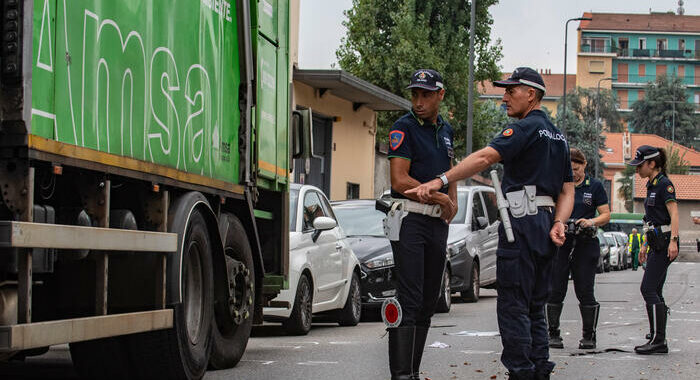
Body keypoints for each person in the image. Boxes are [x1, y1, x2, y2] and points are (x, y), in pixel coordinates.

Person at [407, 67, 574, 380]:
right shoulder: (559, 136)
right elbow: (567, 190)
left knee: (513, 305)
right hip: (545, 225)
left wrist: (440, 180)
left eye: (512, 91)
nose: (505, 97)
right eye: (504, 91)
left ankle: (521, 373)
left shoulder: (525, 129)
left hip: (521, 227)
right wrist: (560, 222)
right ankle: (539, 371)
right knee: (535, 308)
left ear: (532, 95)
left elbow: (485, 158)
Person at [385, 69, 457, 380]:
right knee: (410, 298)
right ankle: (401, 375)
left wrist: (451, 198)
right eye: (415, 94)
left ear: (440, 94)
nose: (419, 101)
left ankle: (413, 372)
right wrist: (440, 198)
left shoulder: (445, 130)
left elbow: (450, 169)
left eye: (426, 95)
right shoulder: (403, 128)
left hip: (436, 225)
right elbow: (399, 181)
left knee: (430, 301)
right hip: (410, 219)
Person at [546, 148, 610, 350]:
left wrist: (590, 222)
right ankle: (553, 334)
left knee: (585, 290)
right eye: (570, 169)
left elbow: (606, 214)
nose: (574, 173)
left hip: (585, 243)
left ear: (584, 166)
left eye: (577, 168)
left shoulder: (595, 186)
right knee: (555, 290)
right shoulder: (559, 185)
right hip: (562, 243)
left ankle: (589, 336)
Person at [627, 145, 679, 355]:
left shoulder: (664, 184)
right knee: (655, 290)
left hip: (665, 240)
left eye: (640, 165)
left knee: (647, 288)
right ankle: (657, 335)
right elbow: (651, 221)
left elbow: (673, 214)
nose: (637, 169)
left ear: (652, 164)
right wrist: (645, 246)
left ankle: (659, 340)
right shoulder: (651, 185)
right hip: (655, 241)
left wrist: (674, 241)